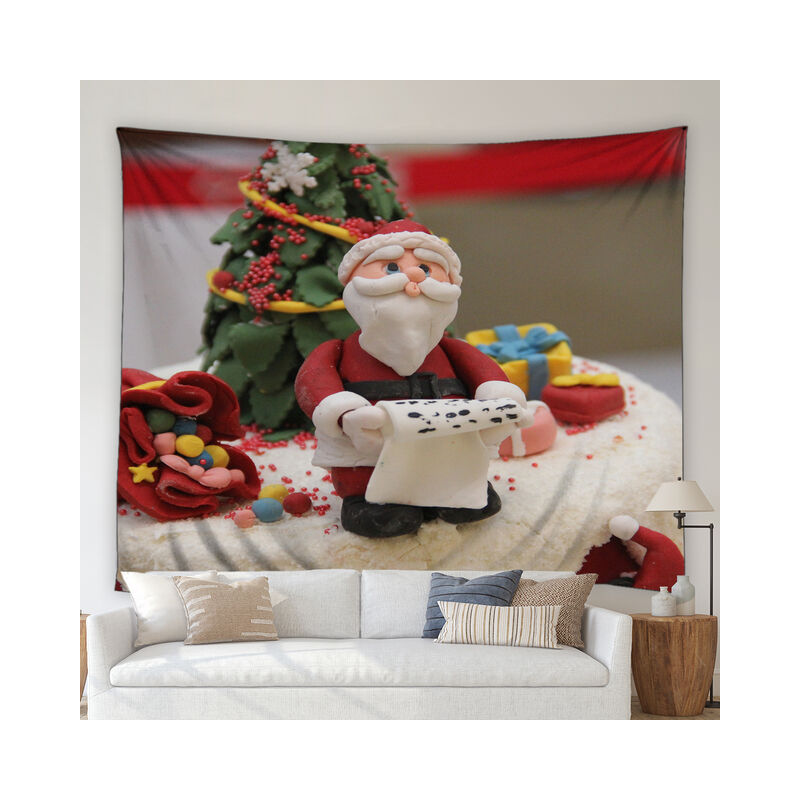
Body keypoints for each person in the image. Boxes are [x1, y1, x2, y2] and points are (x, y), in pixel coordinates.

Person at [295, 220, 532, 537]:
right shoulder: (337, 351)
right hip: (371, 444)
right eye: (392, 267)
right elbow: (314, 381)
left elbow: (486, 375)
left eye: (426, 268)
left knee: (452, 463)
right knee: (367, 470)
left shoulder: (451, 349)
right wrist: (344, 412)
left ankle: (457, 495)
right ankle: (370, 503)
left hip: (448, 439)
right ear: (354, 283)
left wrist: (500, 403)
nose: (414, 277)